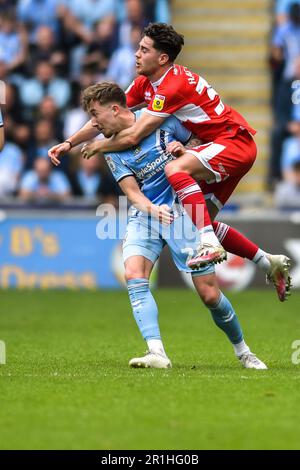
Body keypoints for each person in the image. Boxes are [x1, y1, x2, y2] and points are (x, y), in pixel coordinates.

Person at [48, 23, 292, 302]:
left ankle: (209, 243)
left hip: (232, 143)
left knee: (174, 169)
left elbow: (136, 134)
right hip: (217, 147)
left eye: (143, 49)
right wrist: (70, 142)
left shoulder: (171, 85)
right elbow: (106, 115)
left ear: (162, 58)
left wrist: (101, 146)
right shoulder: (145, 83)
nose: (136, 54)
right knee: (195, 219)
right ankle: (268, 262)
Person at [81, 82, 267, 370]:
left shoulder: (161, 118)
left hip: (184, 213)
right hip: (148, 213)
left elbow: (201, 144)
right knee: (134, 274)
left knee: (209, 295)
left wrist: (186, 147)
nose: (92, 123)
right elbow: (132, 192)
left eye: (95, 114)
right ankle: (156, 352)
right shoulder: (112, 150)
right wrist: (152, 208)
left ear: (115, 109)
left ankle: (244, 352)